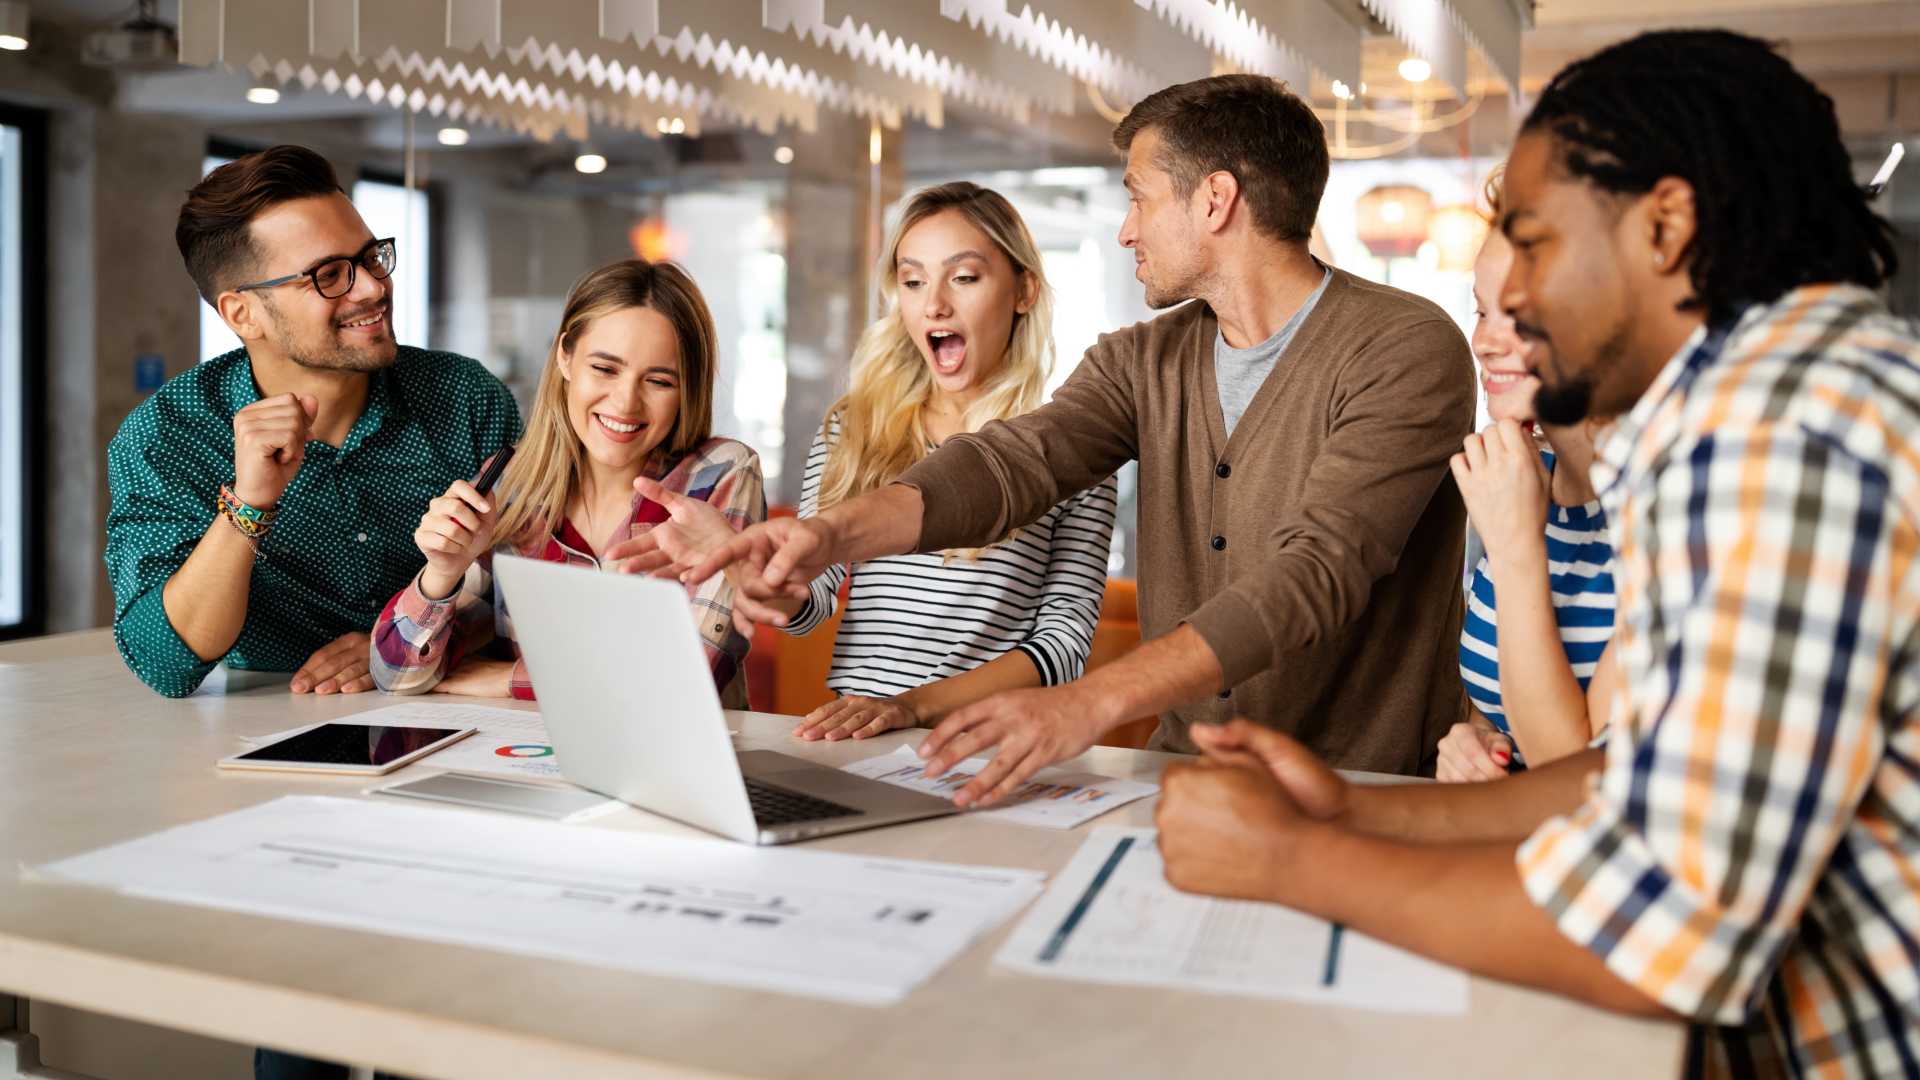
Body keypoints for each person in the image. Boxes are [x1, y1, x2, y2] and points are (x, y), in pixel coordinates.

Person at [1154, 29, 1915, 1077]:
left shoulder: (1783, 433)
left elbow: (1662, 935)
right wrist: (1361, 808)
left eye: (1533, 239)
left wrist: (1296, 859)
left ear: (1666, 226)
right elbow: (1641, 774)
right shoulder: (1761, 408)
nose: (1507, 298)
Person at [679, 74, 1476, 804]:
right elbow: (1012, 464)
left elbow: (1319, 569)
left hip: (1365, 786)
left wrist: (1084, 704)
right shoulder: (1142, 358)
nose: (1127, 230)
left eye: (1139, 197)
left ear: (1216, 200)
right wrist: (825, 535)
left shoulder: (1404, 346)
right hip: (1189, 780)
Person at [613, 182, 1116, 740]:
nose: (934, 304)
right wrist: (748, 568)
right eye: (913, 280)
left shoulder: (1067, 448)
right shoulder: (853, 429)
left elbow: (1064, 645)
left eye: (965, 277)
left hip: (993, 742)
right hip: (862, 737)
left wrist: (914, 706)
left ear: (1023, 289)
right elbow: (813, 601)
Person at [106, 145, 520, 700]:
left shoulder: (463, 396)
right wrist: (247, 506)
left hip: (453, 704)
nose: (373, 288)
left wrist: (395, 643)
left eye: (372, 258)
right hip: (261, 721)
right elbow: (165, 662)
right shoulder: (167, 436)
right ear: (242, 314)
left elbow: (527, 586)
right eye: (330, 276)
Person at [370, 259, 764, 704]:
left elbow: (684, 681)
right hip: (527, 762)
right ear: (565, 357)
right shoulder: (513, 487)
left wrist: (507, 680)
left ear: (686, 389)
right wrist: (443, 571)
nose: (625, 402)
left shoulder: (719, 475)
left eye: (658, 380)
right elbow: (397, 674)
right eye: (605, 369)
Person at [1437, 170, 1618, 782]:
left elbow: (1578, 774)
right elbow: (1500, 694)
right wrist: (1476, 740)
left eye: (1517, 315)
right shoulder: (1522, 472)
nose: (1484, 341)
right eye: (1481, 310)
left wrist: (1517, 547)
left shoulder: (1666, 508)